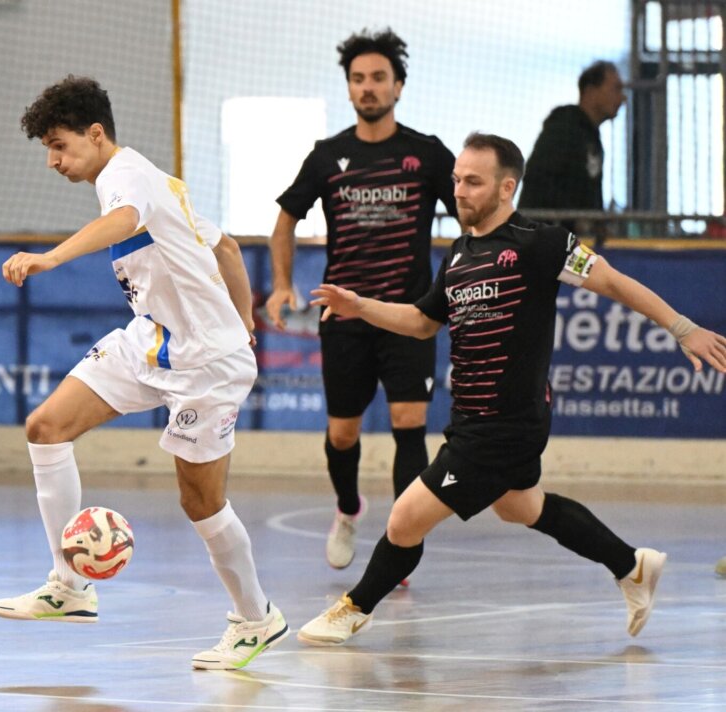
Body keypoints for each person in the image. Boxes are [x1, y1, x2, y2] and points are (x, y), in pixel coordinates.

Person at [297, 132, 726, 646]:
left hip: (506, 425)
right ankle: (631, 565)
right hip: (473, 418)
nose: (459, 191)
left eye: (473, 182)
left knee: (405, 519)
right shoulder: (459, 254)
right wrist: (360, 304)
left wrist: (682, 328)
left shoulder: (541, 243)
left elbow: (612, 281)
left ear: (506, 188)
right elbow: (420, 320)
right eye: (456, 180)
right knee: (521, 507)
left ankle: (352, 609)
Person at [0, 76, 288, 670]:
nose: (53, 160)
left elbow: (124, 219)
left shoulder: (126, 179)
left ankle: (256, 620)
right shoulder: (159, 183)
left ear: (96, 135)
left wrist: (49, 256)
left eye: (59, 145)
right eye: (47, 148)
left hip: (206, 363)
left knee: (200, 501)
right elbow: (226, 249)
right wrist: (246, 314)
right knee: (46, 427)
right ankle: (69, 586)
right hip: (152, 341)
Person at [265, 28, 457, 570]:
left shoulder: (427, 153)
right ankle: (349, 508)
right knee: (342, 432)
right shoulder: (329, 156)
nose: (368, 87)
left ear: (399, 86)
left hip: (408, 316)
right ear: (349, 89)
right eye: (358, 79)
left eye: (378, 78)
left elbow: (470, 213)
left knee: (408, 424)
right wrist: (282, 284)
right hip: (344, 316)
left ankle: (401, 539)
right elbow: (285, 221)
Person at [518, 61, 626, 233]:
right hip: (545, 240)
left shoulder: (592, 138)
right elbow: (539, 179)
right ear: (591, 91)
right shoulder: (563, 129)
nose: (623, 98)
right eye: (616, 89)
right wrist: (574, 220)